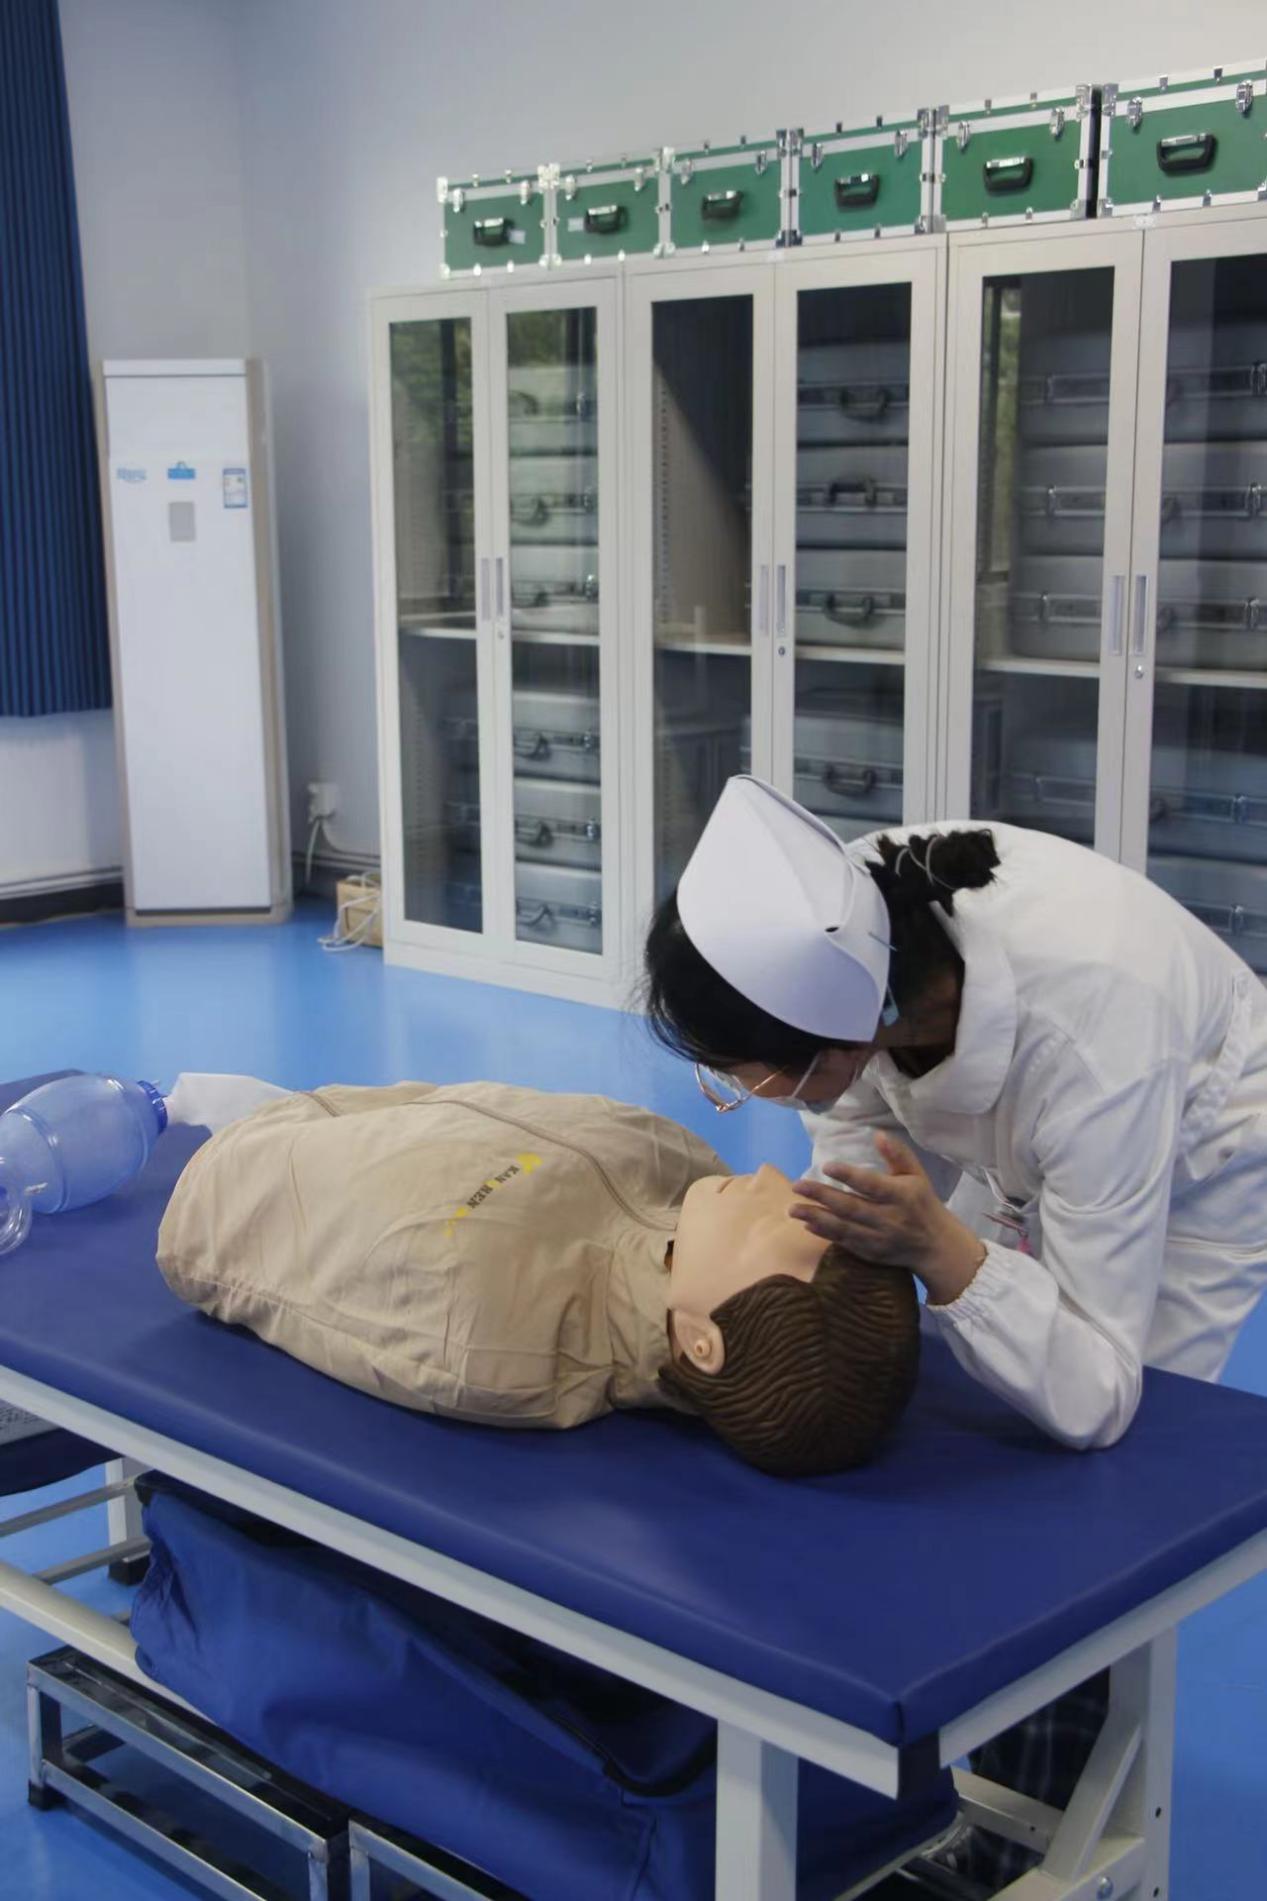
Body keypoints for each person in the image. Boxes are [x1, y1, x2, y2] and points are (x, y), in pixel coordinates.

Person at [642, 773, 1267, 1883]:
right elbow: (856, 1152)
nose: (742, 1116)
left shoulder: (1095, 1043)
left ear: (827, 1048)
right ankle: (937, 1768)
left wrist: (945, 1254)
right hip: (1024, 1113)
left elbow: (1097, 1390)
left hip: (1197, 1145)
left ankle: (1041, 1822)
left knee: (1100, 1478)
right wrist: (873, 1268)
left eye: (741, 1080)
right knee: (948, 1371)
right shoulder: (846, 940)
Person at [156, 1075, 919, 1478]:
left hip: (241, 1149)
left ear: (702, 1340)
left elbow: (221, 1219)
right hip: (316, 1112)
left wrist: (255, 1119)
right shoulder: (678, 1164)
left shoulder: (491, 1326)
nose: (768, 1174)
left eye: (764, 1223)